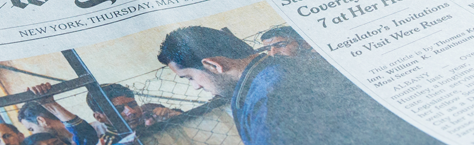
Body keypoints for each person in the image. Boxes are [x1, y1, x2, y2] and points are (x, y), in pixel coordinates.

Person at [156, 26, 441, 145]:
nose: (195, 88)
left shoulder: (269, 97)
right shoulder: (271, 77)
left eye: (189, 77)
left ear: (213, 65)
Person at [20, 82, 101, 145]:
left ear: (42, 121)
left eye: (31, 129)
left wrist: (50, 104)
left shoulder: (99, 130)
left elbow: (85, 137)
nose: (34, 134)